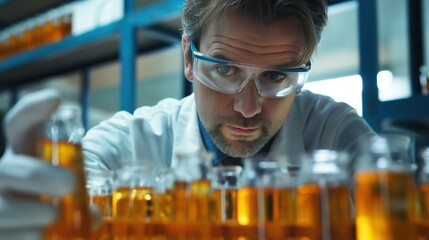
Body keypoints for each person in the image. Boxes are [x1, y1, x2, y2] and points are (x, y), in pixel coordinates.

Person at [0, 0, 375, 238]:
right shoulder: (134, 140)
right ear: (187, 58)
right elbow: (75, 175)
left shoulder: (335, 133)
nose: (247, 107)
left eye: (276, 77)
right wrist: (29, 199)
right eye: (225, 70)